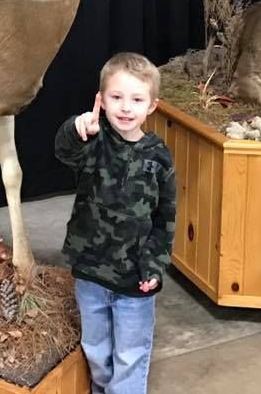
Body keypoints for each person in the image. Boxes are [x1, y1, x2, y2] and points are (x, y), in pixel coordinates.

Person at [54, 52, 176, 394]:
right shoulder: (93, 143)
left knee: (130, 353)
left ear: (152, 105)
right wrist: (76, 129)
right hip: (91, 272)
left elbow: (165, 219)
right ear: (101, 101)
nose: (125, 107)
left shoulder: (158, 156)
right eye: (116, 97)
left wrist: (154, 265)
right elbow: (64, 152)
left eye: (136, 99)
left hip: (134, 278)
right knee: (96, 350)